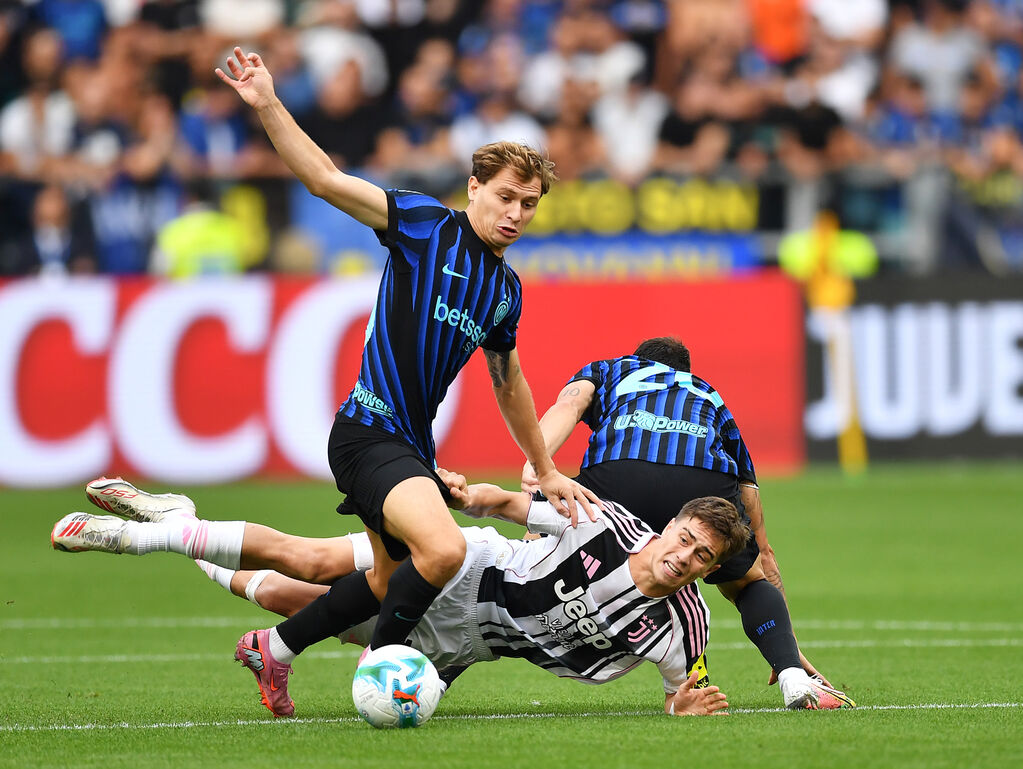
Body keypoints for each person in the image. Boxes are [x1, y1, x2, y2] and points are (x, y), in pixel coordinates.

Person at [210, 47, 601, 717]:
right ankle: (383, 662)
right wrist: (268, 103)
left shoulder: (504, 290)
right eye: (505, 195)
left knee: (385, 578)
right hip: (368, 430)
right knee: (444, 548)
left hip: (407, 447)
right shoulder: (422, 225)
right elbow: (327, 181)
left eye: (529, 204)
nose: (515, 212)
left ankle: (273, 647)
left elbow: (508, 380)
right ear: (474, 186)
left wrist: (544, 465)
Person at [52, 479, 752, 718]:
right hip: (463, 564)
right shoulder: (603, 520)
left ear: (709, 567)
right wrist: (468, 494)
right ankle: (137, 536)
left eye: (702, 557)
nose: (683, 557)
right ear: (668, 525)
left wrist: (681, 705)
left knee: (290, 598)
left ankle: (175, 518)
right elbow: (511, 503)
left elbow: (680, 690)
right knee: (314, 557)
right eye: (685, 537)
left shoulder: (681, 628)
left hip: (459, 644)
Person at [519, 336, 847, 710]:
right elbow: (749, 496)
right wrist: (785, 645)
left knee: (538, 538)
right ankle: (792, 678)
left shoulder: (610, 369)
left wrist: (538, 465)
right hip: (701, 479)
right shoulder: (708, 395)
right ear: (686, 373)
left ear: (636, 359)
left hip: (621, 470)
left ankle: (478, 630)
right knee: (746, 582)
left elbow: (570, 403)